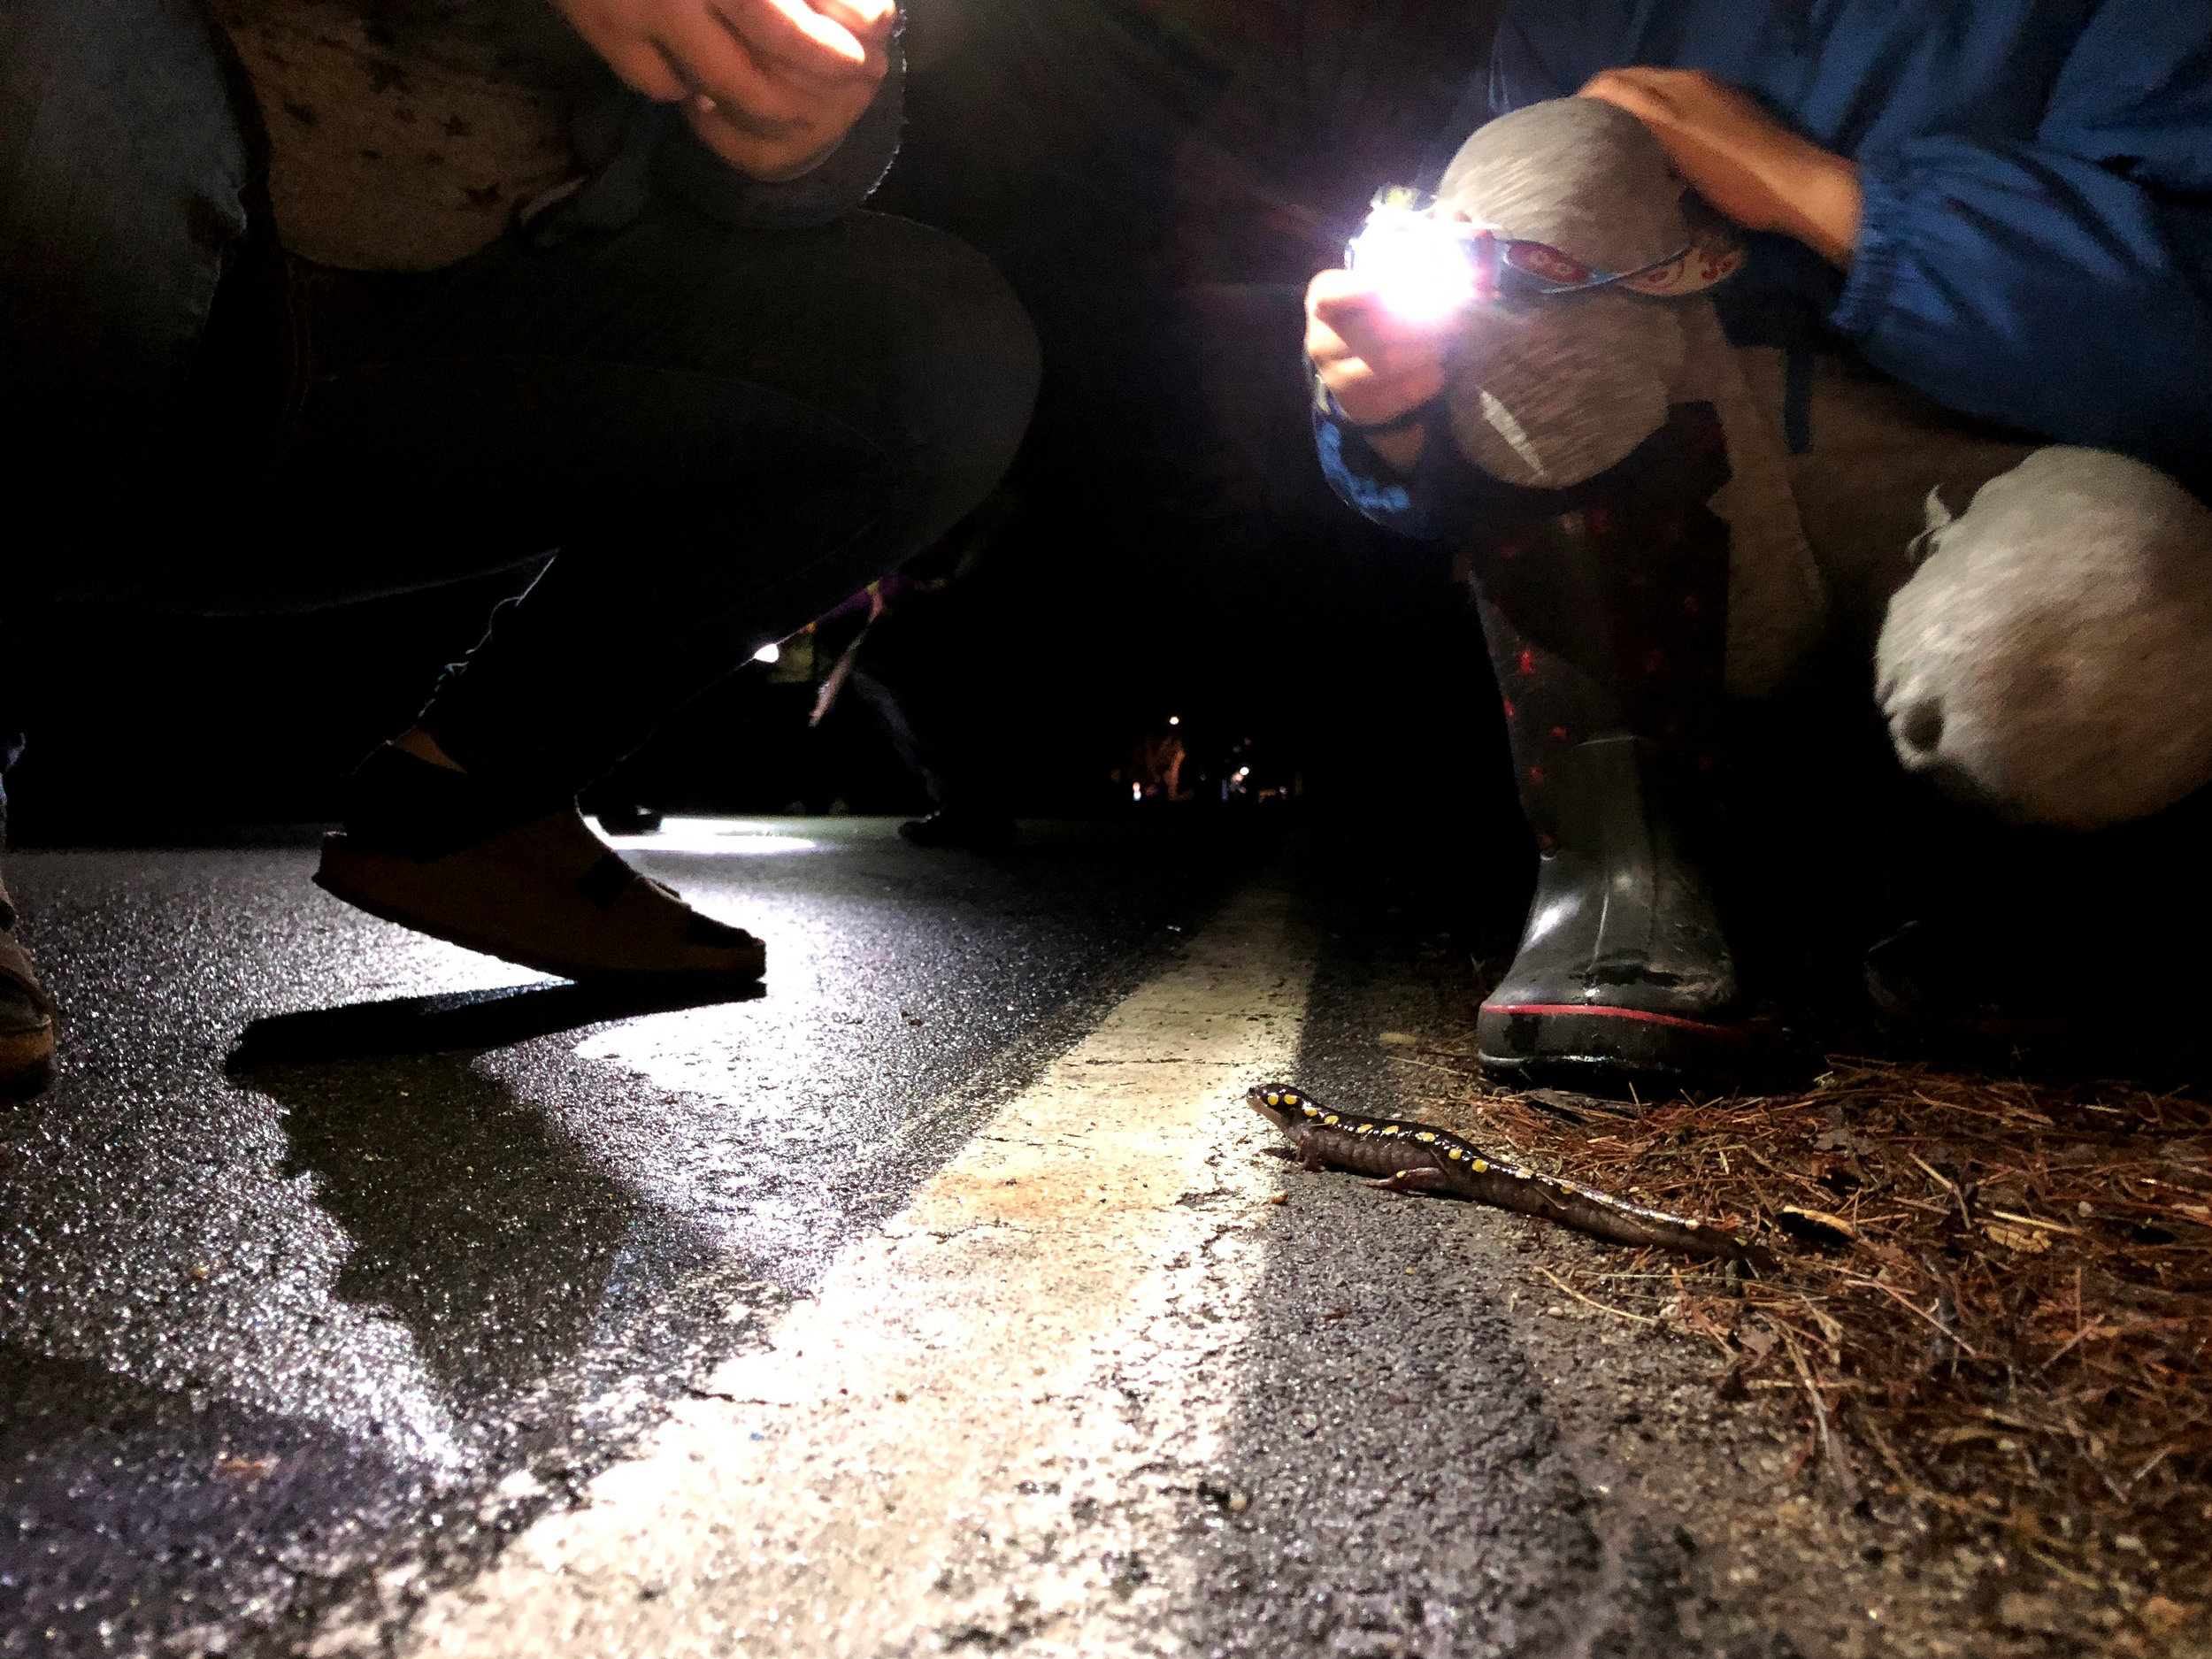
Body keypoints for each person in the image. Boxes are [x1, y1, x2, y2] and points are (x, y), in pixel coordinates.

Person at [0, 0, 1041, 1095]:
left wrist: (799, 124)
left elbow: (775, 186)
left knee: (939, 345)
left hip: (436, 353)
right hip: (98, 298)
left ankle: (468, 803)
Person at [1304, 0, 2212, 1089]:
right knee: (1539, 157)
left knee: (2113, 594)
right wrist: (1381, 414)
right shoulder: (1560, 18)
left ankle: (1992, 884)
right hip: (1682, 493)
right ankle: (1619, 875)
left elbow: (2185, 330)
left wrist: (1815, 192)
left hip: (1993, 472)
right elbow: (1431, 244)